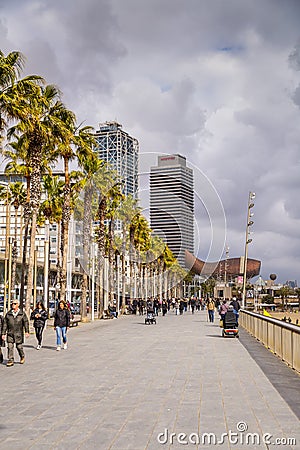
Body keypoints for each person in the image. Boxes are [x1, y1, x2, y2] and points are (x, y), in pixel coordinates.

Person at [1, 299, 29, 367]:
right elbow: (5, 324)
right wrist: (3, 333)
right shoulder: (8, 314)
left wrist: (27, 331)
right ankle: (10, 360)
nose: (13, 305)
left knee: (19, 347)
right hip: (10, 333)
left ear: (18, 305)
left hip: (18, 333)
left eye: (15, 303)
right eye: (12, 303)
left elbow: (26, 322)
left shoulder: (22, 313)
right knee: (10, 347)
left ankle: (22, 356)